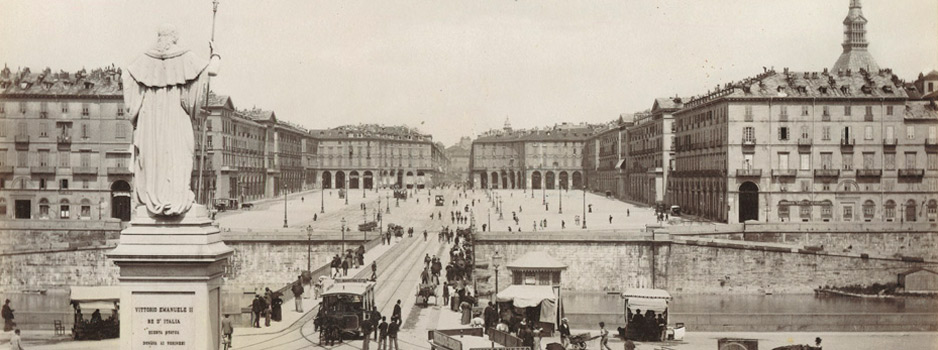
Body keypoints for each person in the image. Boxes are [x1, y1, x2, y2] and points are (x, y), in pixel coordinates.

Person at [123, 24, 220, 217]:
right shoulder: (184, 57)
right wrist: (216, 54)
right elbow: (213, 71)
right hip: (176, 118)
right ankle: (176, 197)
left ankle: (155, 198)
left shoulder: (143, 60)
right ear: (174, 39)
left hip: (150, 121)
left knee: (153, 158)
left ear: (160, 38)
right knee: (180, 154)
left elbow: (128, 78)